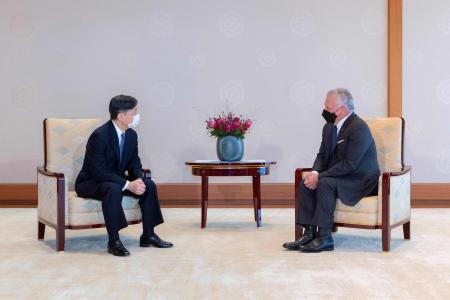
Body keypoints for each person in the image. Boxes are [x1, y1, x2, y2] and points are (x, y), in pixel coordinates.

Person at [283, 88, 380, 253]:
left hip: (360, 179)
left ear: (342, 110)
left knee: (325, 183)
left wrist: (320, 177)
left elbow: (350, 164)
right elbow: (321, 155)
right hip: (339, 175)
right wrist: (314, 173)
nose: (324, 112)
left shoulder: (359, 127)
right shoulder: (329, 127)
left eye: (328, 109)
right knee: (306, 182)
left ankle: (325, 237)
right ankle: (309, 233)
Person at [75, 95, 173, 256]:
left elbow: (134, 163)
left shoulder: (131, 135)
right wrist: (128, 185)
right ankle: (114, 241)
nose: (137, 115)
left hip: (114, 180)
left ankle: (148, 235)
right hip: (91, 182)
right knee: (113, 188)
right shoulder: (100, 136)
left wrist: (139, 180)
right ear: (121, 116)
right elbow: (97, 171)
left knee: (148, 185)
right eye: (134, 111)